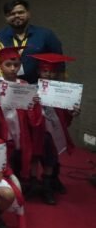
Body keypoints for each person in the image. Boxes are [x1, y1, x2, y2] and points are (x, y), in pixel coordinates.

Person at [0, 47, 44, 193]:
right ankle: (3, 182)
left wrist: (34, 103)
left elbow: (33, 115)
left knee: (21, 154)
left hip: (20, 127)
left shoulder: (25, 85)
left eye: (16, 65)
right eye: (8, 65)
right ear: (0, 66)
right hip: (2, 127)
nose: (12, 68)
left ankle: (22, 181)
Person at [31, 53, 80, 199]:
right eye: (45, 71)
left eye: (52, 72)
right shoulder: (31, 88)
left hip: (52, 130)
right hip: (36, 129)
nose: (49, 74)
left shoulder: (62, 91)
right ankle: (33, 183)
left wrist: (73, 111)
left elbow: (65, 114)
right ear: (39, 71)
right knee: (34, 155)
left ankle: (49, 183)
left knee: (52, 156)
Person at [0, 0, 64, 84]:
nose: (16, 15)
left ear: (28, 14)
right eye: (12, 14)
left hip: (39, 87)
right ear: (6, 17)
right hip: (8, 86)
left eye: (20, 12)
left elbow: (60, 64)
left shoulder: (46, 35)